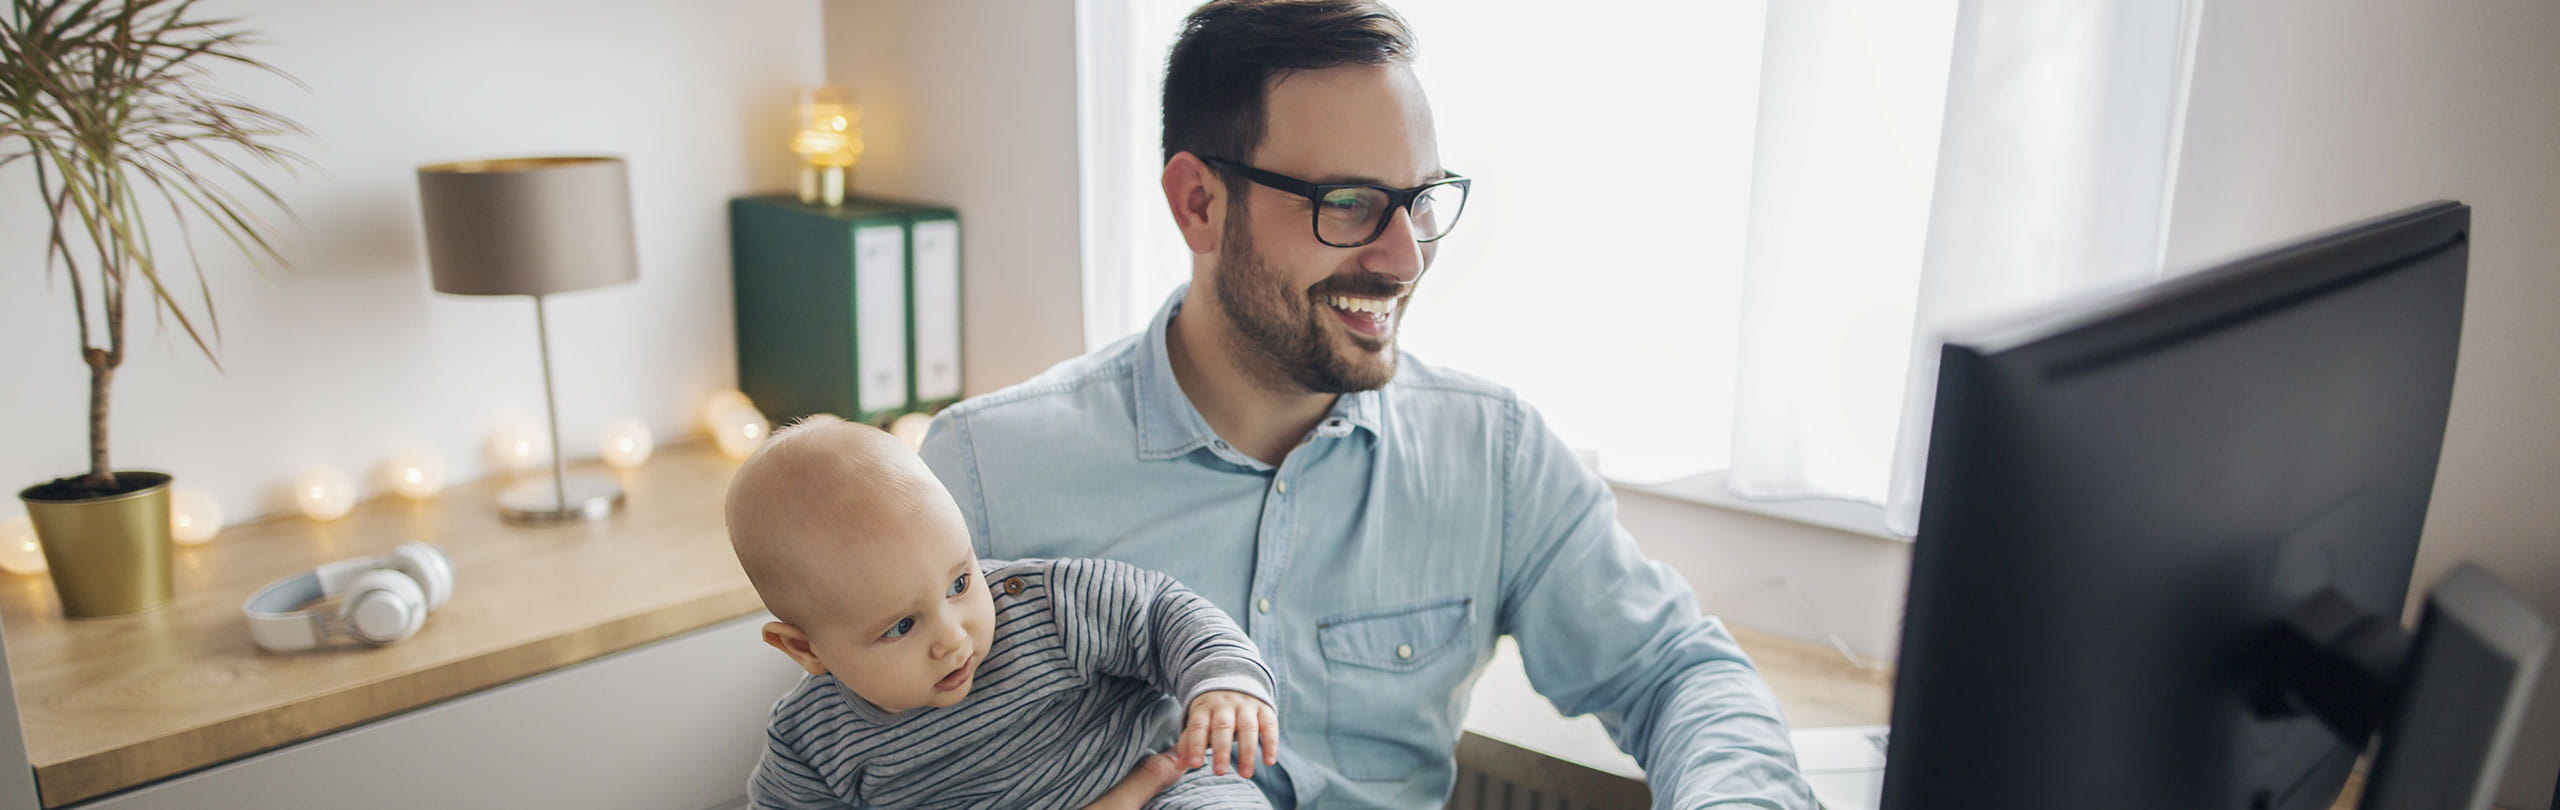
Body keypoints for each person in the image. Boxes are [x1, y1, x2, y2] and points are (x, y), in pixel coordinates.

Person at [918, 1, 1817, 807]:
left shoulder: (1491, 454)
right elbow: (860, 768)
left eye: (1420, 202)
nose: (1404, 259)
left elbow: (1674, 674)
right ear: (1199, 204)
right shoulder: (988, 477)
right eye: (1347, 203)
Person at [728, 416, 1283, 809]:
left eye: (960, 582)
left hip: (1164, 786)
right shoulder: (810, 745)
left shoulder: (1047, 605)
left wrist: (1223, 682)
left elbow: (1162, 612)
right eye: (901, 626)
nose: (952, 636)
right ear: (805, 649)